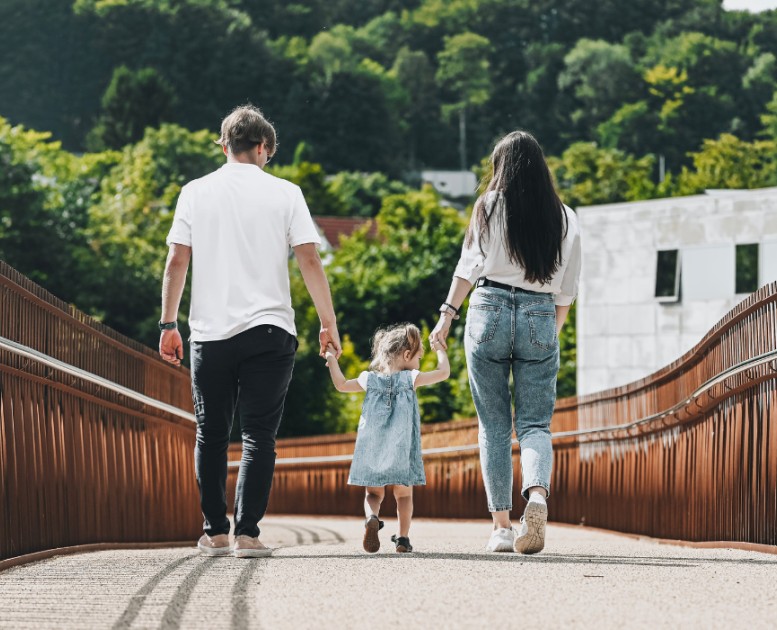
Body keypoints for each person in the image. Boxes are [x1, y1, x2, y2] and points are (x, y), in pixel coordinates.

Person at [159, 105, 342, 558]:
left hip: (210, 333)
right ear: (263, 148)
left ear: (224, 146)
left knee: (211, 433)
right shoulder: (286, 193)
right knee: (260, 434)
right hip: (270, 329)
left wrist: (168, 322)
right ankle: (247, 535)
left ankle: (216, 531)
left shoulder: (194, 192)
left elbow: (177, 261)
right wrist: (328, 323)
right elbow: (309, 260)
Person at [429, 131, 581, 554]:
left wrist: (447, 315)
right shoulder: (566, 218)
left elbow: (469, 265)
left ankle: (500, 527)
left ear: (503, 168)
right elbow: (567, 289)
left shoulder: (489, 206)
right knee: (535, 423)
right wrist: (552, 332)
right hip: (540, 312)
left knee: (493, 426)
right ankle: (536, 496)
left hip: (489, 308)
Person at [323, 324, 450, 553]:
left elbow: (341, 385)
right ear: (407, 355)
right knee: (403, 495)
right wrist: (440, 349)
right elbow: (444, 373)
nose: (419, 362)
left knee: (373, 493)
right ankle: (402, 539)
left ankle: (372, 517)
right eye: (419, 357)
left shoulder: (368, 379)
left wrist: (332, 357)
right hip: (402, 447)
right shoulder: (411, 378)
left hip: (373, 444)